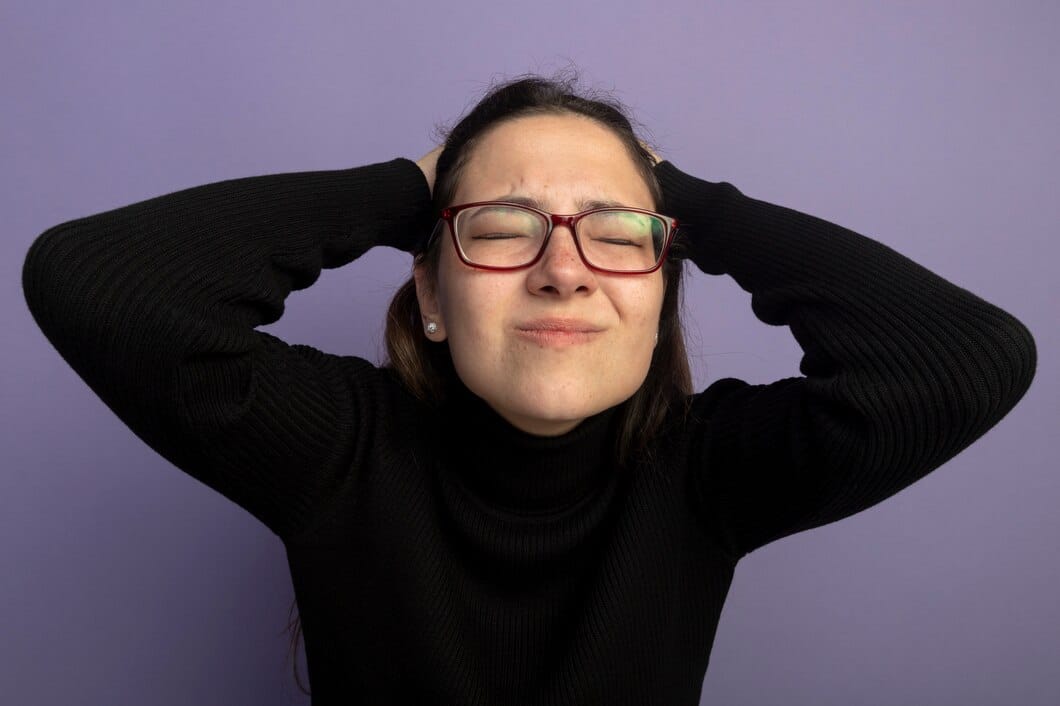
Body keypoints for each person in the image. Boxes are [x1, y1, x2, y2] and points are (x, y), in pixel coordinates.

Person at [21, 73, 1037, 705]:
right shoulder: (339, 449)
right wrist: (410, 186)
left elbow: (967, 357)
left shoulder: (706, 472)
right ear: (429, 291)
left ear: (659, 299)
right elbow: (98, 283)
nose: (565, 268)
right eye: (503, 229)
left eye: (614, 236)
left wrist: (684, 202)